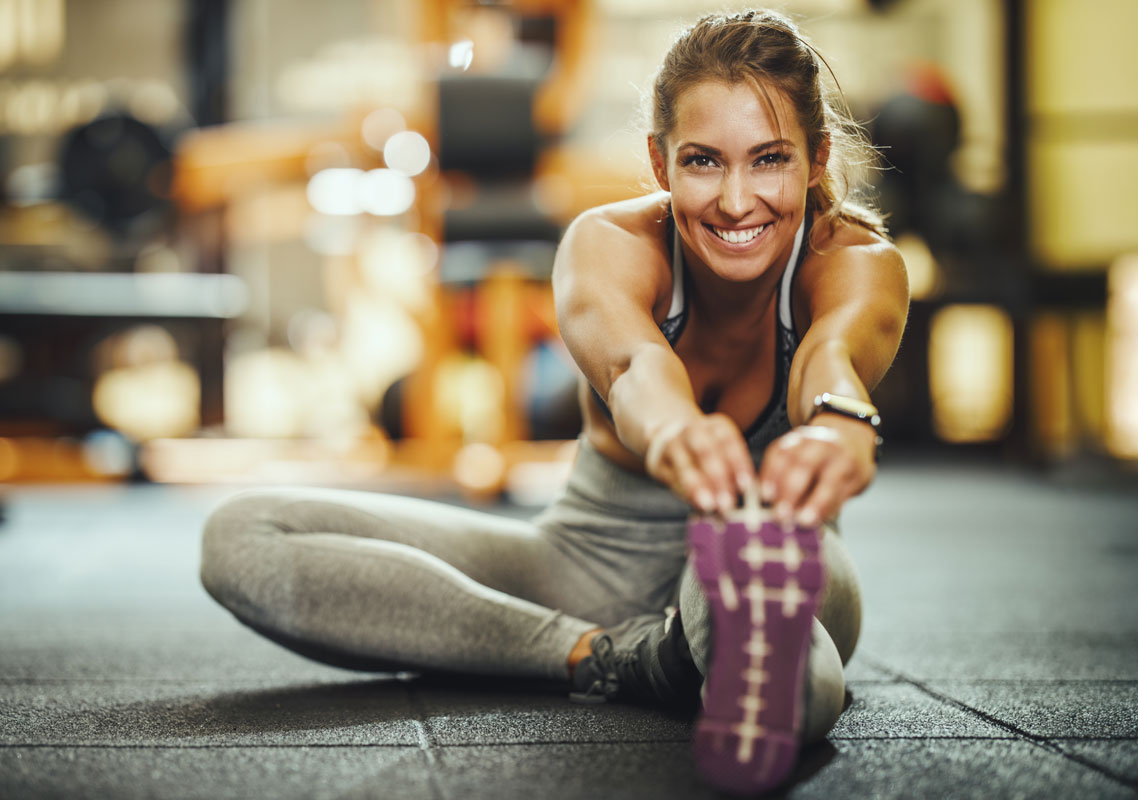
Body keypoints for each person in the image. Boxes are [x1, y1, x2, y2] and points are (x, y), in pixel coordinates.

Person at [200, 9, 907, 795]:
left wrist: (840, 426)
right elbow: (637, 364)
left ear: (817, 159)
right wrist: (673, 432)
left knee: (735, 559)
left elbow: (830, 357)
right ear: (660, 161)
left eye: (768, 160)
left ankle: (736, 651)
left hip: (767, 553)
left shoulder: (855, 262)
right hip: (582, 568)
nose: (737, 200)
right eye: (704, 161)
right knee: (243, 534)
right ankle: (604, 655)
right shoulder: (609, 245)